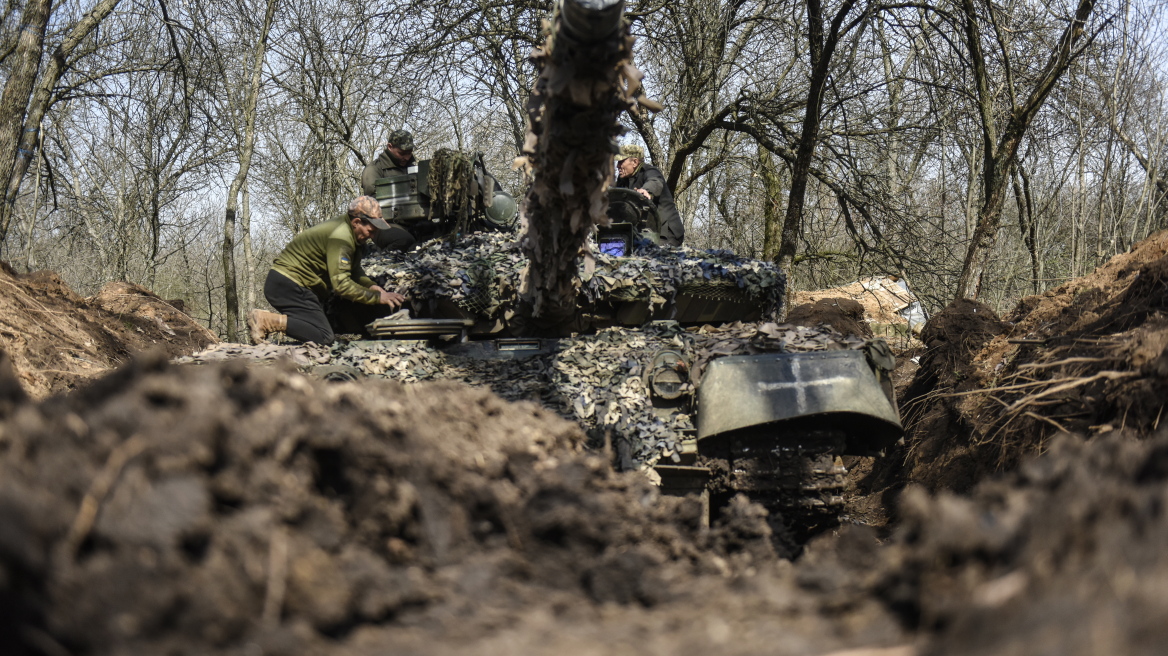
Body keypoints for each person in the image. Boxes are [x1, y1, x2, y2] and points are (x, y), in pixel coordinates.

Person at [247, 196, 406, 345]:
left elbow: (354, 270)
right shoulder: (341, 238)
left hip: (294, 284)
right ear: (357, 222)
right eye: (370, 231)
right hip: (288, 285)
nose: (372, 236)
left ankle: (270, 321)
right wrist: (377, 297)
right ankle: (265, 320)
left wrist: (371, 286)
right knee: (324, 336)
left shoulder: (352, 233)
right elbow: (342, 286)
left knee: (321, 330)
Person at [613, 144, 684, 246]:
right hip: (643, 232)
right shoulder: (623, 180)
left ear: (634, 162)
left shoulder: (650, 171)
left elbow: (655, 182)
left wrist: (646, 191)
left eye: (621, 162)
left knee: (654, 254)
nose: (617, 166)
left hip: (666, 232)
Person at [361, 129, 419, 252]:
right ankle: (382, 257)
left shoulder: (413, 167)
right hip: (384, 223)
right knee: (404, 240)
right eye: (401, 153)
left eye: (409, 153)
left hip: (413, 221)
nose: (406, 157)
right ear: (390, 147)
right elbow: (371, 202)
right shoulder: (374, 170)